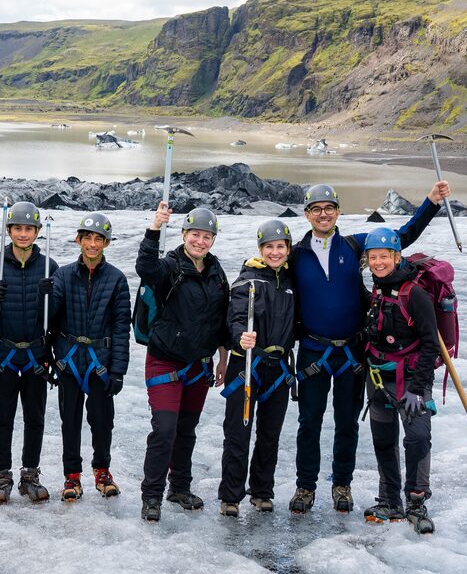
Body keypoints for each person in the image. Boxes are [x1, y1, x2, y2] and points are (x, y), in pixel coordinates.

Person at [289, 180, 450, 516]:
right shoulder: (295, 254)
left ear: (338, 212)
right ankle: (305, 486)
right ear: (306, 214)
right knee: (309, 422)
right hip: (312, 351)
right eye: (316, 209)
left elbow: (398, 238)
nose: (323, 214)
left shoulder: (354, 245)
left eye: (329, 208)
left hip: (351, 352)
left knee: (347, 422)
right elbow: (272, 275)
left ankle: (342, 484)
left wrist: (430, 203)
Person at [136, 204, 230, 522]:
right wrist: (154, 228)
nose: (200, 241)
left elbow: (221, 321)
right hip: (164, 362)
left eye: (206, 236)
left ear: (213, 240)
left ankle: (179, 487)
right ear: (184, 235)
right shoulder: (169, 267)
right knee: (164, 429)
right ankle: (151, 495)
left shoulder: (217, 274)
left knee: (186, 430)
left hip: (199, 365)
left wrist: (223, 358)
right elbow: (145, 267)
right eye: (195, 234)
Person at [45, 212, 131, 503]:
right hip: (69, 361)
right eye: (87, 238)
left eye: (98, 239)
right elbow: (51, 318)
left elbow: (121, 327)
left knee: (102, 420)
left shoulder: (117, 279)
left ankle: (102, 471)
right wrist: (46, 296)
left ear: (105, 242)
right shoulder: (63, 275)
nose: (92, 244)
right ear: (78, 240)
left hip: (101, 364)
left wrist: (118, 370)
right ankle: (72, 476)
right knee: (70, 420)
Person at [360, 226, 439, 534]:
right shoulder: (378, 289)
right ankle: (390, 500)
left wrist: (419, 389)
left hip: (411, 381)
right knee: (383, 439)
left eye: (384, 256)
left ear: (396, 256)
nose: (379, 262)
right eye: (373, 257)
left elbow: (431, 343)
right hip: (378, 378)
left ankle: (416, 503)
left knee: (417, 438)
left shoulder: (414, 293)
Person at [217, 219, 296, 516]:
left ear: (287, 248)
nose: (275, 252)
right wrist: (241, 336)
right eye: (269, 247)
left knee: (269, 434)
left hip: (279, 368)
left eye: (280, 247)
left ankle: (262, 491)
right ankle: (231, 495)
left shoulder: (291, 281)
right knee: (239, 431)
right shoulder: (247, 280)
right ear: (260, 249)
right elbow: (235, 317)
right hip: (247, 362)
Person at [0, 201, 59, 504]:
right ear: (9, 230)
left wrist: (51, 297)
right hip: (5, 352)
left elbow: (55, 317)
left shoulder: (49, 267)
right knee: (3, 416)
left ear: (38, 232)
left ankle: (30, 474)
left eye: (29, 229)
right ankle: (2, 475)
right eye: (18, 228)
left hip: (37, 353)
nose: (23, 233)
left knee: (35, 416)